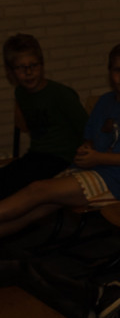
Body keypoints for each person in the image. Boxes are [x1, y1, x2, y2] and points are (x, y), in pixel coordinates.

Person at [0, 42, 120, 239]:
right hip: (94, 169)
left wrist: (98, 158)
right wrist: (86, 150)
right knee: (38, 207)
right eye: (117, 70)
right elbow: (90, 138)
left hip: (119, 180)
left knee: (37, 190)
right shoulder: (105, 101)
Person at [1, 34, 88, 199]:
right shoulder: (20, 93)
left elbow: (86, 130)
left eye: (33, 65)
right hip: (38, 155)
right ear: (10, 71)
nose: (28, 72)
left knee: (16, 185)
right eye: (20, 68)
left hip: (63, 157)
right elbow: (26, 127)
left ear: (42, 64)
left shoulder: (60, 94)